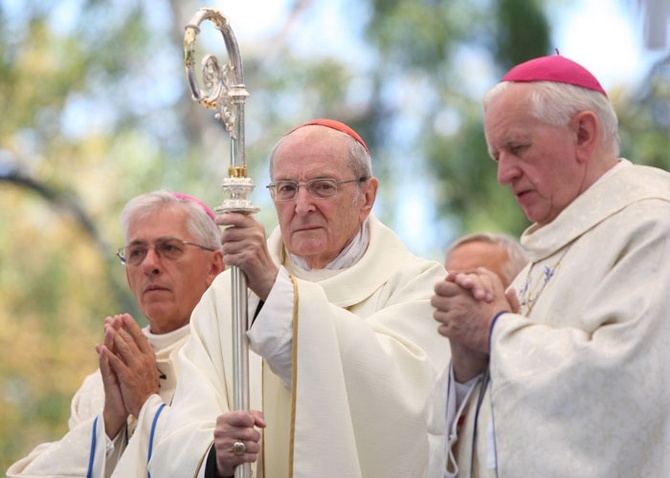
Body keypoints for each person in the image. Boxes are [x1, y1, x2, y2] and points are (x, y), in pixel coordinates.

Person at [148, 119, 453, 478]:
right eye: (287, 189)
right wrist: (214, 457)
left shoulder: (417, 286)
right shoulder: (229, 297)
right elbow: (185, 424)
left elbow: (415, 409)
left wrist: (274, 292)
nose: (302, 205)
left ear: (366, 196)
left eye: (322, 187)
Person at [431, 53, 670, 477]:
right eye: (496, 156)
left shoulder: (652, 227)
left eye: (518, 148)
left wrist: (494, 331)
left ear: (583, 133)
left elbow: (627, 389)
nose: (504, 174)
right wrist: (469, 363)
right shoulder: (540, 261)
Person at [7, 190, 225, 478]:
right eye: (136, 252)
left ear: (214, 266)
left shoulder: (236, 360)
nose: (149, 264)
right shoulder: (100, 386)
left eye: (169, 248)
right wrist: (111, 421)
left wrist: (147, 404)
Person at [425, 232, 528, 477]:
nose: (459, 297)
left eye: (475, 283)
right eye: (450, 285)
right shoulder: (428, 351)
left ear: (514, 293)